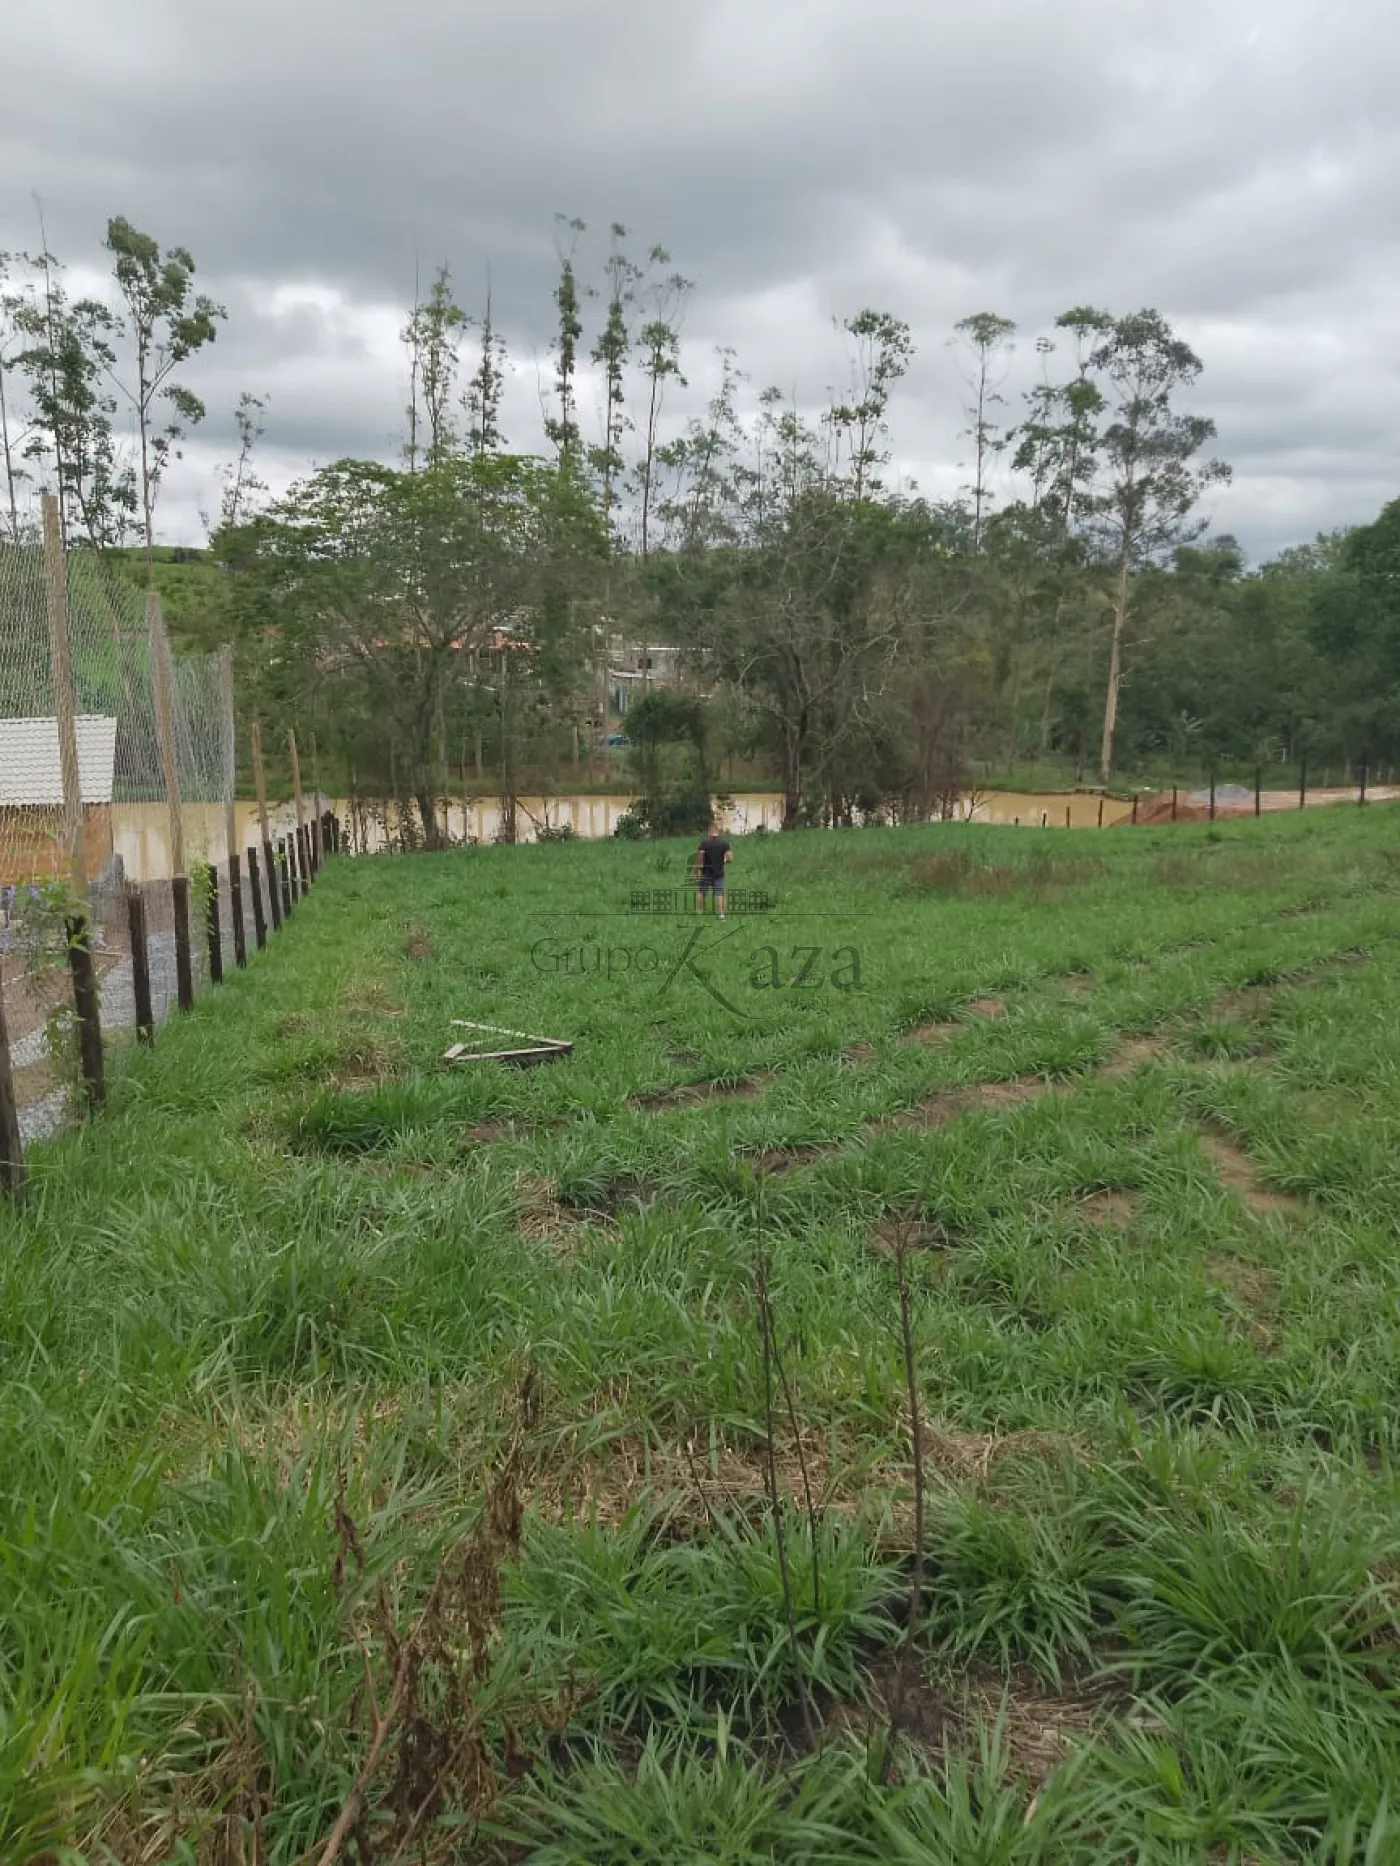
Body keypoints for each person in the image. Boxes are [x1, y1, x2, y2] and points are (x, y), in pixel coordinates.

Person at [694, 819, 732, 919]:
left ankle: (700, 912)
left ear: (709, 832)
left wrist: (696, 870)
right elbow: (730, 858)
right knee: (720, 893)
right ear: (718, 832)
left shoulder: (704, 844)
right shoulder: (724, 844)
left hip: (706, 872)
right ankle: (721, 915)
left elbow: (699, 858)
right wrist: (724, 862)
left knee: (701, 892)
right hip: (719, 873)